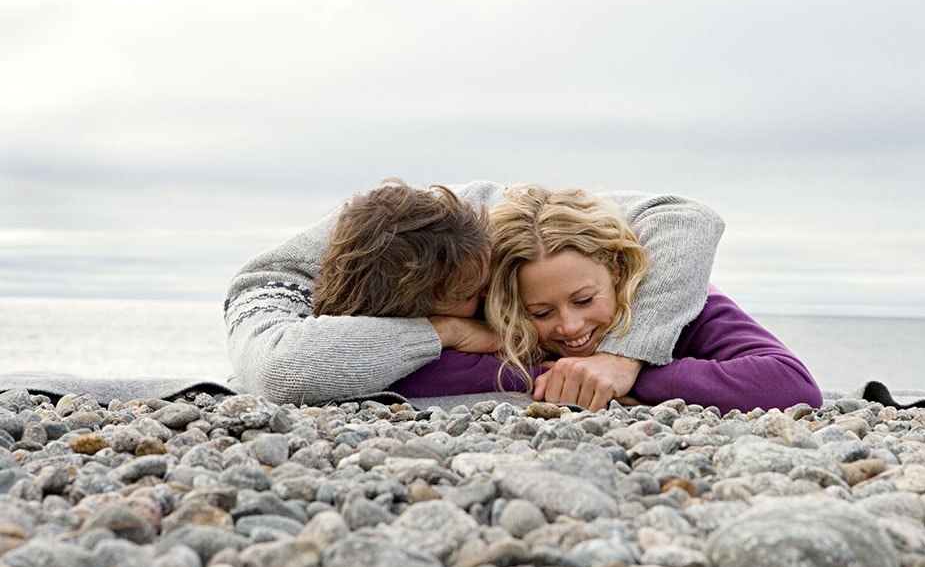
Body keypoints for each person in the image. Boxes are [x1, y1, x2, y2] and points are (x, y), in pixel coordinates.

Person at [223, 178, 725, 406]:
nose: (500, 296)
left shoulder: (486, 217)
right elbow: (283, 370)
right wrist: (444, 332)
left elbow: (686, 217)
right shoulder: (273, 292)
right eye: (473, 296)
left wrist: (623, 357)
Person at [482, 185, 822, 413]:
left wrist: (626, 374)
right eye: (541, 313)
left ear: (616, 270)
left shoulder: (678, 300)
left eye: (584, 300)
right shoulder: (508, 318)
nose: (570, 326)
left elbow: (792, 384)